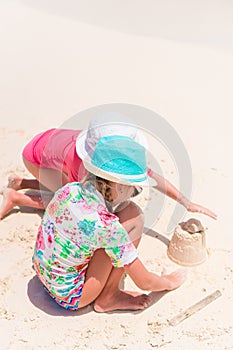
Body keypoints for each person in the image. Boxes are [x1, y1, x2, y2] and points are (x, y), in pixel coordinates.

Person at [33, 133, 187, 312]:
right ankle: (109, 296)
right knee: (134, 217)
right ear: (121, 186)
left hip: (43, 273)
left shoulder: (69, 190)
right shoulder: (107, 227)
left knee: (122, 215)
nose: (133, 194)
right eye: (135, 190)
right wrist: (168, 282)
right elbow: (144, 282)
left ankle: (104, 288)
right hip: (73, 296)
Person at [0, 116, 217, 220]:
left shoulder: (100, 149)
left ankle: (22, 183)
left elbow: (153, 178)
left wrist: (186, 203)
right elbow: (76, 201)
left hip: (47, 142)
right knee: (69, 202)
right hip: (35, 157)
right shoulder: (82, 168)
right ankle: (15, 197)